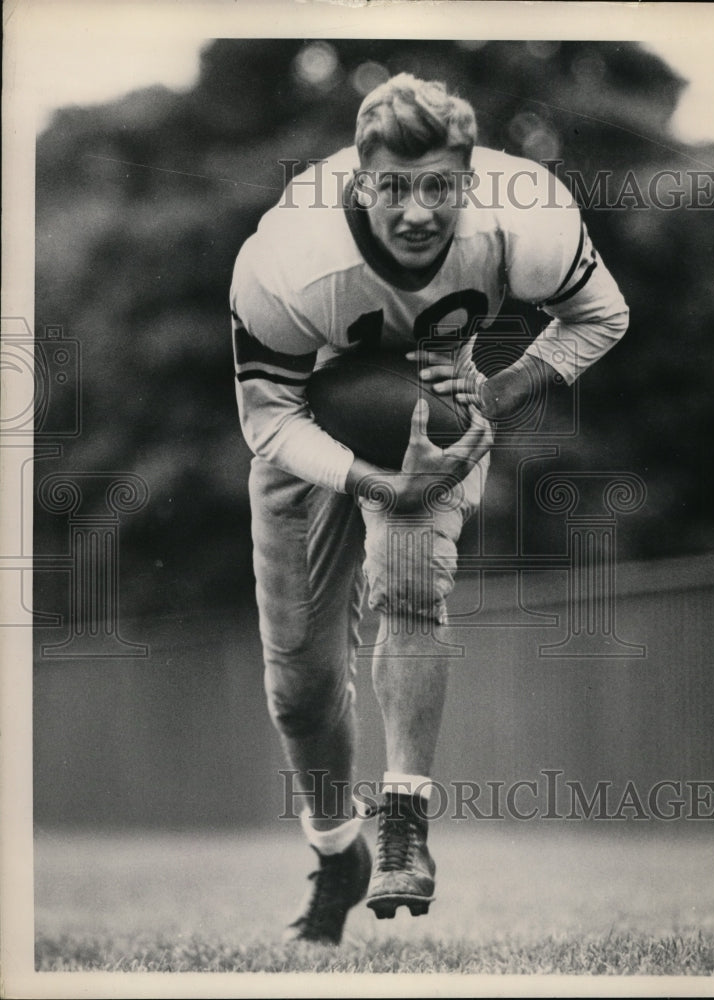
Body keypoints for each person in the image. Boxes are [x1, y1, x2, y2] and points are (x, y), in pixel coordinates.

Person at [230, 73, 629, 944]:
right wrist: (373, 482)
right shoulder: (289, 258)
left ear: (470, 178)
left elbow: (599, 315)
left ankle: (405, 819)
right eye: (394, 186)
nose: (417, 211)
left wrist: (500, 389)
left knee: (409, 581)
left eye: (438, 186)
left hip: (436, 416)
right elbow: (268, 417)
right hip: (309, 430)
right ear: (358, 177)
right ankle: (339, 851)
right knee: (299, 689)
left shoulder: (526, 217)